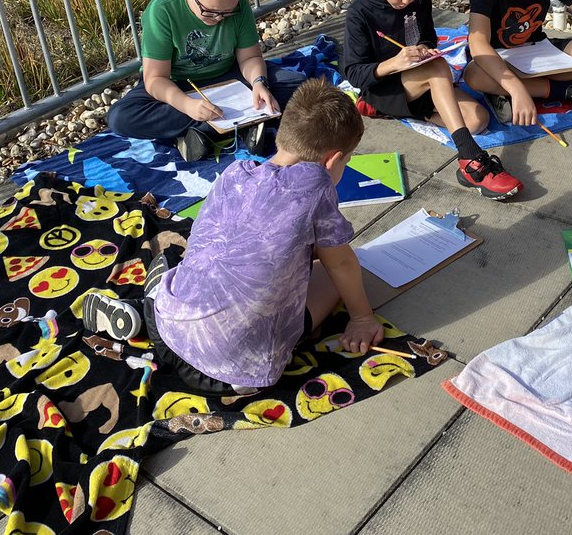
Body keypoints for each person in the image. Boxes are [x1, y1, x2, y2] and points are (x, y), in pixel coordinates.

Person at [83, 78, 383, 394]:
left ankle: (146, 305)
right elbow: (342, 265)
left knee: (175, 259)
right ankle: (161, 304)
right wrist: (362, 318)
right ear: (332, 160)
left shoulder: (235, 173)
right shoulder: (316, 188)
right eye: (346, 162)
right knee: (328, 272)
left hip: (168, 330)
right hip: (235, 371)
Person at [344, 0, 523, 200]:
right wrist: (396, 63)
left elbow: (428, 35)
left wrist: (426, 49)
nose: (407, 0)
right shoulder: (359, 13)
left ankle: (401, 111)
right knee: (438, 69)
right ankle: (470, 158)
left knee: (477, 120)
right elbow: (353, 73)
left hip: (419, 80)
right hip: (382, 86)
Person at [106, 0, 303, 161]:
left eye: (228, 13)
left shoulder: (239, 6)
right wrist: (186, 105)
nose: (219, 18)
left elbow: (250, 57)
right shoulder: (162, 10)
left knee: (299, 87)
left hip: (229, 77)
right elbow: (155, 79)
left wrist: (259, 82)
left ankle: (204, 131)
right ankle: (244, 124)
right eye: (210, 12)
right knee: (120, 118)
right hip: (178, 83)